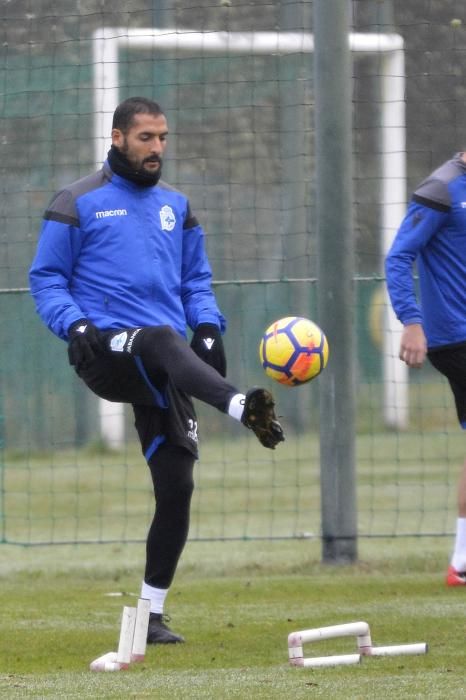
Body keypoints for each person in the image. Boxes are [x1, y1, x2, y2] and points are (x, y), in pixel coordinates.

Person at [29, 96, 285, 642]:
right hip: (109, 352)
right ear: (118, 137)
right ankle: (240, 406)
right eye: (146, 138)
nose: (157, 149)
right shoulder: (77, 201)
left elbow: (196, 281)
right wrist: (73, 325)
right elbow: (46, 278)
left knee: (177, 486)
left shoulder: (177, 207)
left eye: (163, 138)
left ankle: (149, 616)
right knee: (164, 340)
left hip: (167, 365)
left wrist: (210, 326)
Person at [385, 151, 466, 586]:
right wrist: (412, 322)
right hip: (455, 335)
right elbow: (399, 257)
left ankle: (462, 561)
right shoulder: (440, 189)